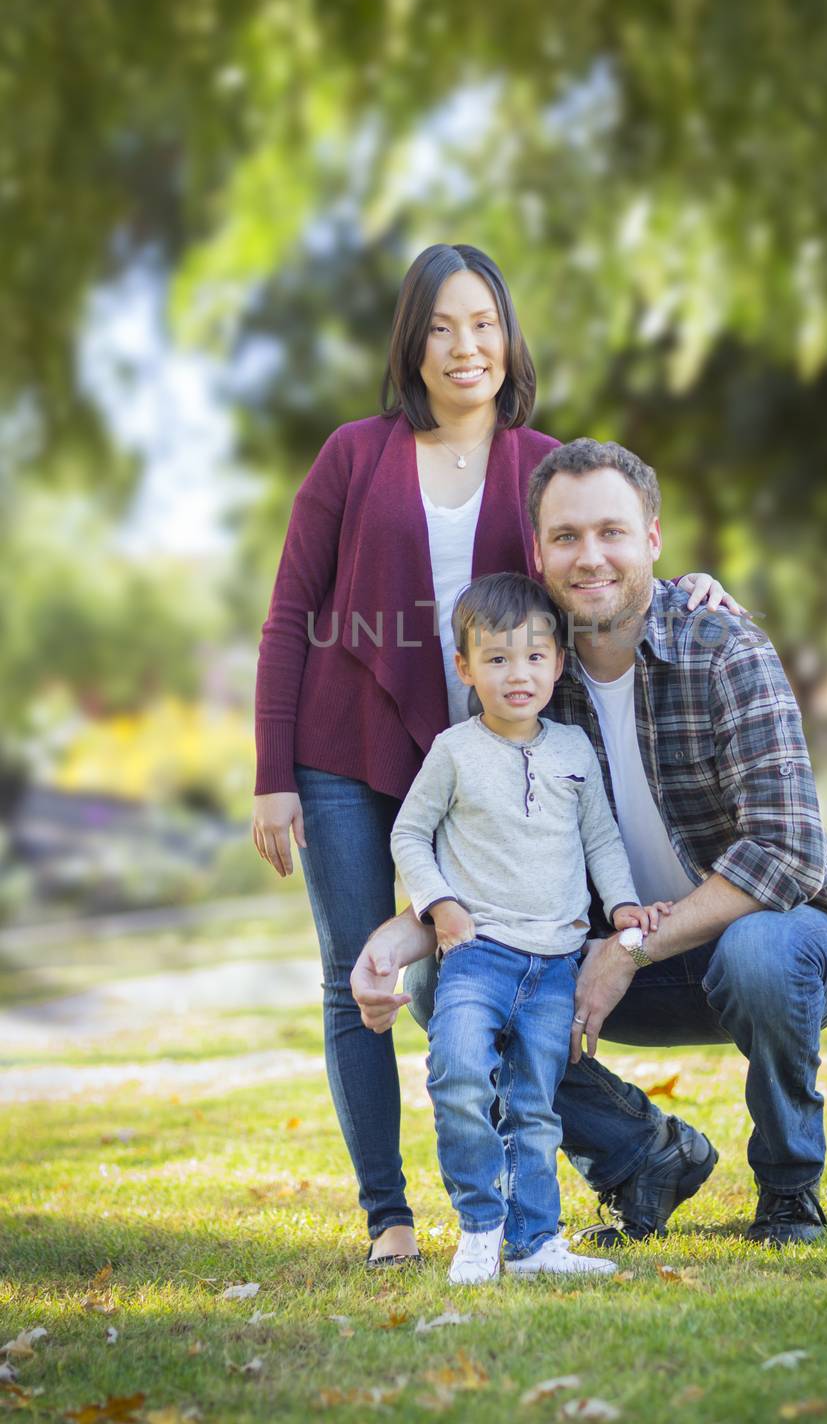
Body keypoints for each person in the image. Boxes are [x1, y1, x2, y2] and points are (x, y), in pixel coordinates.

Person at [252, 244, 734, 1265]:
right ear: (411, 344)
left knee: (492, 966)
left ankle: (632, 1149)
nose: (463, 345)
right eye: (439, 326)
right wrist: (271, 774)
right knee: (358, 976)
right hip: (347, 747)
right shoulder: (350, 454)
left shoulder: (539, 461)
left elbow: (599, 555)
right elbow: (290, 614)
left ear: (506, 337)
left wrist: (686, 582)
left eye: (481, 323)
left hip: (492, 758)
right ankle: (386, 1212)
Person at [353, 439, 827, 1248]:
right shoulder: (525, 681)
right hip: (612, 962)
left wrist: (628, 946)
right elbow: (478, 870)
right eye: (565, 537)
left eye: (612, 532)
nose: (589, 556)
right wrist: (397, 938)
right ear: (538, 552)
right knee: (440, 985)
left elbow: (786, 852)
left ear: (653, 540)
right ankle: (643, 1156)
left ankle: (787, 1189)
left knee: (762, 952)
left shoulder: (723, 650)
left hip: (771, 949)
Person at [392, 571, 674, 1283]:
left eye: (534, 656)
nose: (517, 674)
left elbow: (602, 840)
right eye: (496, 659)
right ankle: (480, 1226)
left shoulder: (573, 749)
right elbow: (408, 836)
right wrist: (439, 905)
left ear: (556, 662)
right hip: (478, 956)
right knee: (458, 1078)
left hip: (554, 965)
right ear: (465, 668)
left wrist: (620, 909)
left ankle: (536, 1242)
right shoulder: (453, 751)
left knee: (534, 1106)